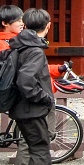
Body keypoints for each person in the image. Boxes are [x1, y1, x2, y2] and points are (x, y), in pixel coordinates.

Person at [8, 9, 55, 165]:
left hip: (21, 106)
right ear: (48, 26)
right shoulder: (35, 50)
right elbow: (25, 80)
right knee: (40, 150)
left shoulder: (20, 45)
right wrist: (44, 98)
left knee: (34, 148)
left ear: (25, 25)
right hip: (32, 109)